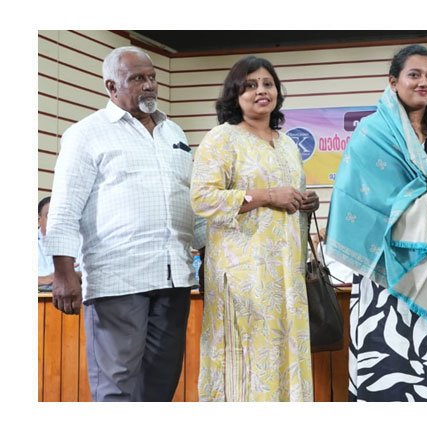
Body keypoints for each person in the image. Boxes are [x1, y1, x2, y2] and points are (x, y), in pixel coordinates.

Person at [325, 45, 427, 402]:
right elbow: (361, 200)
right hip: (389, 268)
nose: (424, 82)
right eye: (414, 75)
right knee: (394, 354)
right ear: (393, 82)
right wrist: (417, 205)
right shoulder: (372, 133)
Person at [42, 46, 207, 402]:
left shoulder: (173, 131)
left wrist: (208, 252)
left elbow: (189, 201)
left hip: (174, 279)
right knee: (117, 388)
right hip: (119, 282)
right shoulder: (86, 134)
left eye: (151, 78)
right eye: (137, 79)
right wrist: (64, 272)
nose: (148, 86)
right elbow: (65, 209)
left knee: (161, 387)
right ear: (110, 86)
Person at [190, 56, 318, 402]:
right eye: (250, 85)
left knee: (284, 354)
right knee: (245, 356)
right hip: (244, 275)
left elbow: (286, 201)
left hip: (286, 275)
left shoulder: (288, 145)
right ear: (235, 94)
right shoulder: (222, 139)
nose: (261, 90)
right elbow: (202, 199)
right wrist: (266, 196)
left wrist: (305, 202)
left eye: (267, 84)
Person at [38, 196, 82, 290]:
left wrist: (75, 275)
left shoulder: (81, 241)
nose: (56, 222)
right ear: (39, 220)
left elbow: (94, 274)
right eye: (51, 217)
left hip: (75, 299)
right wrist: (47, 279)